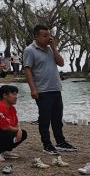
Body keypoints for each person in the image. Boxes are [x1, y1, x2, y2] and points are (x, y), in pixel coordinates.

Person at [23, 24, 77, 155]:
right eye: (45, 36)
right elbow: (27, 69)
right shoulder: (30, 50)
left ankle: (60, 142)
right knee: (45, 119)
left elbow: (61, 63)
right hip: (42, 90)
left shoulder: (50, 49)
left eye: (49, 35)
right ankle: (47, 144)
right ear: (36, 36)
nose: (48, 38)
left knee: (57, 118)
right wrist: (33, 89)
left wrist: (53, 47)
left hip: (56, 88)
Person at [0, 84, 28, 162]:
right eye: (13, 94)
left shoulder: (12, 108)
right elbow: (4, 127)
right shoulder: (0, 107)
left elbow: (16, 123)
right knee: (7, 134)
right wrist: (18, 131)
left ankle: (3, 151)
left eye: (16, 94)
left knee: (23, 133)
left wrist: (19, 130)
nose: (16, 97)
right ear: (5, 95)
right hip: (2, 130)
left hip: (5, 130)